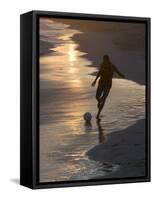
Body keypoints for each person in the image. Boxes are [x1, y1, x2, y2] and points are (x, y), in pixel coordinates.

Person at [91, 55, 125, 120]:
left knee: (103, 99)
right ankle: (99, 101)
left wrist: (121, 75)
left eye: (105, 60)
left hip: (108, 85)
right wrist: (95, 80)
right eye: (104, 60)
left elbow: (118, 72)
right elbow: (99, 73)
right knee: (97, 97)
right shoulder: (102, 65)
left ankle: (98, 114)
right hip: (101, 83)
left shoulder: (112, 66)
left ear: (108, 60)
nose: (104, 62)